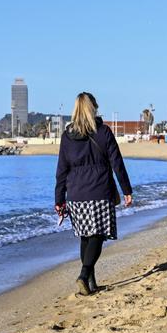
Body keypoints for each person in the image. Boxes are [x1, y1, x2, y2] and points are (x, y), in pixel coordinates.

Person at [54, 92, 133, 295]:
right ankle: (83, 275)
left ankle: (90, 284)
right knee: (97, 235)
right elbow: (117, 163)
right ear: (93, 108)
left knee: (85, 237)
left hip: (76, 195)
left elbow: (61, 170)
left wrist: (59, 199)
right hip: (99, 190)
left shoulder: (66, 136)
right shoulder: (103, 132)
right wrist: (126, 190)